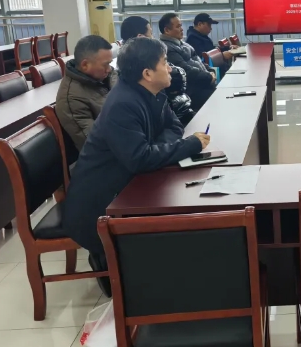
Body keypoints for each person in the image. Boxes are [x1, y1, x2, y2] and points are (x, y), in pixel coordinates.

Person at [62, 37, 210, 293]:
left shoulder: (152, 92)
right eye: (164, 63)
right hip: (102, 206)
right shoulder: (123, 104)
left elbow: (173, 126)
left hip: (128, 184)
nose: (170, 68)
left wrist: (156, 149)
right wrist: (189, 145)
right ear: (147, 73)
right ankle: (110, 259)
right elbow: (140, 159)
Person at [121, 15, 195, 126]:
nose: (169, 69)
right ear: (141, 38)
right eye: (151, 34)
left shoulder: (133, 67)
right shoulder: (131, 94)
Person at [55, 35, 117, 151]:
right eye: (105, 64)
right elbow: (94, 145)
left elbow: (114, 75)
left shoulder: (103, 76)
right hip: (107, 157)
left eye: (110, 63)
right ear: (85, 65)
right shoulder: (72, 99)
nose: (109, 69)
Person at [159, 13, 217, 110]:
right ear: (167, 30)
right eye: (178, 26)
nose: (182, 29)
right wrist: (208, 76)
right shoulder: (167, 49)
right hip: (193, 91)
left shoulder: (183, 44)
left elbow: (199, 61)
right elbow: (186, 71)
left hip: (204, 84)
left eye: (181, 26)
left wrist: (210, 70)